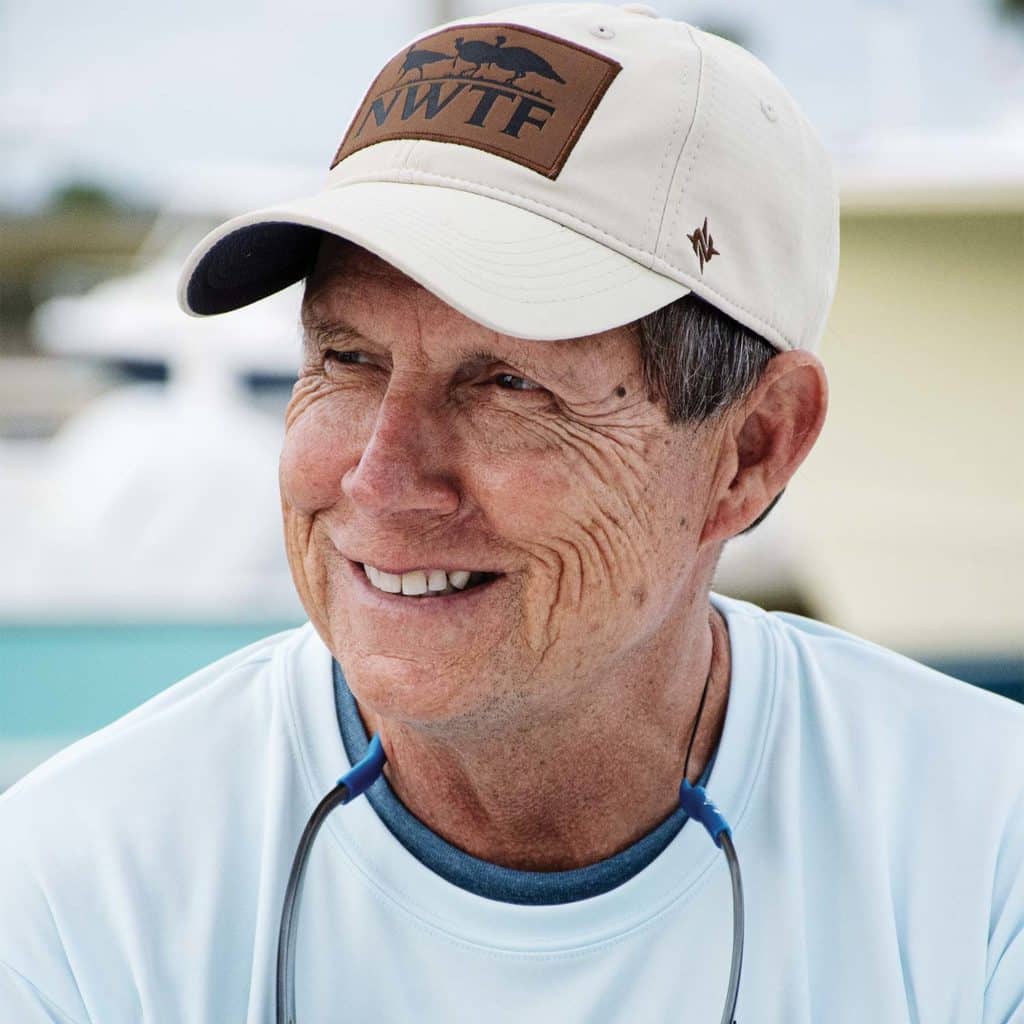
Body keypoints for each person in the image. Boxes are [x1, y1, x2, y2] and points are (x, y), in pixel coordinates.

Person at [2, 4, 1022, 1022]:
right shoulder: (75, 885)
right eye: (346, 361)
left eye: (508, 384)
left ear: (750, 452)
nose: (380, 477)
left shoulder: (985, 853)